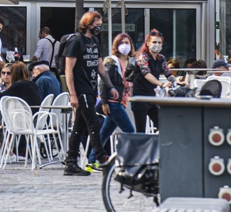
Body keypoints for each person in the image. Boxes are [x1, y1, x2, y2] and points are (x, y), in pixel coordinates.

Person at [62, 11, 118, 176]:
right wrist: (72, 93)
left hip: (91, 87)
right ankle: (101, 158)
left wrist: (111, 86)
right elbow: (68, 69)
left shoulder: (94, 40)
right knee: (93, 123)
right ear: (87, 24)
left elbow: (101, 67)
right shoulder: (75, 41)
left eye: (100, 24)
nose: (98, 27)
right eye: (96, 24)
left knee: (78, 127)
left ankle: (70, 162)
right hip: (81, 88)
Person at [88, 33, 135, 167]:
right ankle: (132, 160)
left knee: (103, 135)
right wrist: (104, 102)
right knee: (130, 132)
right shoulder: (112, 61)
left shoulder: (130, 63)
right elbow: (103, 81)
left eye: (127, 43)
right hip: (113, 103)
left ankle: (91, 161)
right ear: (116, 46)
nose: (125, 46)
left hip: (121, 102)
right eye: (122, 43)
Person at [127, 28, 173, 134]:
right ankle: (140, 150)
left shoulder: (161, 58)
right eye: (154, 42)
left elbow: (168, 73)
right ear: (147, 43)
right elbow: (146, 74)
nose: (157, 45)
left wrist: (177, 81)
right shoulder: (143, 57)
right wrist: (161, 84)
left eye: (159, 42)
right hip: (140, 98)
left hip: (151, 97)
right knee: (141, 131)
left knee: (162, 125)